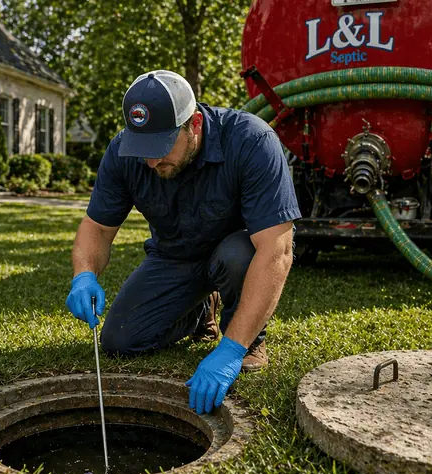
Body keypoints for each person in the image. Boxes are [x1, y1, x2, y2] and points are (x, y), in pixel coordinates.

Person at [65, 70, 300, 415]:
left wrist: (231, 349)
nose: (152, 161)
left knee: (237, 255)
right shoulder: (122, 154)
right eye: (142, 148)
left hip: (237, 255)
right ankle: (200, 310)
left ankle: (250, 343)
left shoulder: (252, 141)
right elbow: (97, 228)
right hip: (175, 256)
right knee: (121, 340)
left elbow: (276, 252)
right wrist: (83, 275)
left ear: (196, 124)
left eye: (161, 147)